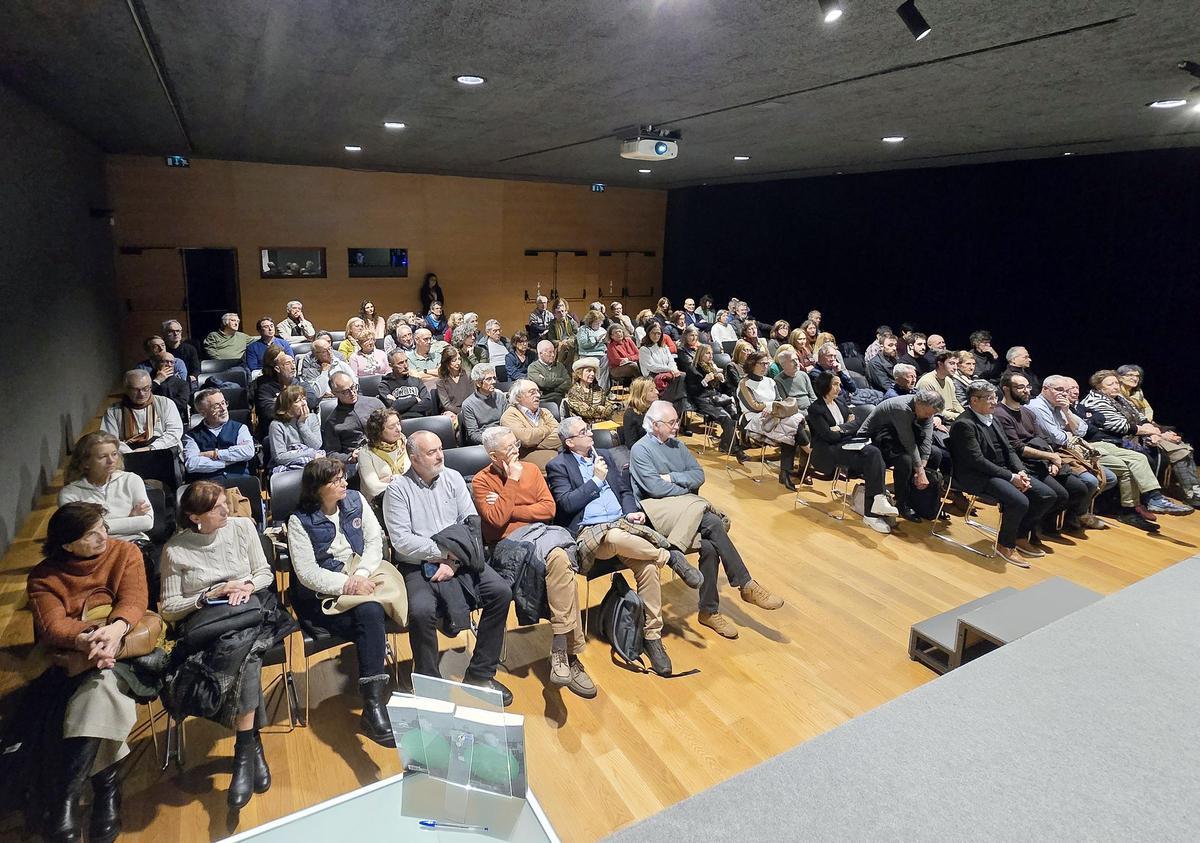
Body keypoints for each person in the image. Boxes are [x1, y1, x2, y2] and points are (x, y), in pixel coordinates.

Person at [160, 482, 290, 809]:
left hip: (251, 610)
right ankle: (251, 748)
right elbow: (169, 607)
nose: (226, 510)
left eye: (224, 503)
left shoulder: (243, 527)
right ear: (194, 517)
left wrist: (245, 585)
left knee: (242, 646)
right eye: (217, 507)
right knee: (248, 656)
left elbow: (264, 573)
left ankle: (243, 755)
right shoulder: (175, 550)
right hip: (208, 622)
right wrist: (208, 594)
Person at [27, 502, 148, 843]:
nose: (103, 536)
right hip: (77, 655)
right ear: (67, 545)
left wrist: (115, 631)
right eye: (91, 534)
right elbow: (53, 625)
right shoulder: (44, 577)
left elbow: (135, 598)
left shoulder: (125, 552)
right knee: (101, 688)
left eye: (103, 527)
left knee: (101, 686)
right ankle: (106, 790)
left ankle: (67, 796)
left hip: (125, 650)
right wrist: (89, 640)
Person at [546, 416, 702, 676]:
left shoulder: (604, 454)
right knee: (616, 538)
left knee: (649, 568)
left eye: (588, 429)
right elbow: (567, 504)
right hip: (591, 534)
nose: (590, 434)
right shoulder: (558, 465)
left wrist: (631, 512)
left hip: (623, 524)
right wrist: (595, 480)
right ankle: (670, 556)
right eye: (583, 432)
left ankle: (652, 636)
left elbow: (625, 491)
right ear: (570, 442)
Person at [629, 401, 781, 639]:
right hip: (658, 513)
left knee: (710, 542)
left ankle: (709, 611)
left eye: (676, 421)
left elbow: (698, 475)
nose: (676, 426)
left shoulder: (678, 446)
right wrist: (685, 490)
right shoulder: (641, 450)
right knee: (710, 518)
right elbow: (654, 488)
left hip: (687, 509)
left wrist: (672, 477)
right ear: (655, 425)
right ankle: (745, 584)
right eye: (671, 423)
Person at [382, 431, 514, 704]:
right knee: (421, 611)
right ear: (413, 457)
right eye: (432, 452)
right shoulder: (397, 490)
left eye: (440, 449)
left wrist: (453, 561)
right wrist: (443, 554)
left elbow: (470, 522)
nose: (440, 455)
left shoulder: (453, 478)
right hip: (417, 566)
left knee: (500, 592)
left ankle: (480, 674)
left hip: (461, 561)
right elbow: (402, 541)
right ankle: (430, 683)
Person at [471, 428, 596, 697]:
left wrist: (510, 508)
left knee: (560, 558)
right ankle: (568, 656)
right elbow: (494, 525)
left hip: (541, 536)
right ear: (494, 456)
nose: (516, 449)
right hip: (508, 546)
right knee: (562, 564)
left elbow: (548, 509)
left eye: (516, 443)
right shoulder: (481, 481)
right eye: (509, 447)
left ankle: (561, 647)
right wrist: (512, 483)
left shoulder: (531, 469)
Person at [286, 458, 396, 745]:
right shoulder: (299, 521)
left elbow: (375, 542)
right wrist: (348, 584)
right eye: (336, 481)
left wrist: (359, 575)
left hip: (364, 579)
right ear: (318, 489)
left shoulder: (356, 500)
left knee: (370, 612)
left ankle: (373, 705)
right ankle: (374, 706)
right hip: (323, 597)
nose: (345, 483)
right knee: (370, 614)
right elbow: (308, 574)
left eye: (344, 478)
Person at [1027, 376, 1163, 531]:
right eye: (1060, 390)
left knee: (1111, 477)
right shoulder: (1038, 407)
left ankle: (1077, 513)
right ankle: (1070, 515)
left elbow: (1082, 430)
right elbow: (1057, 438)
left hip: (1072, 449)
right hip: (1053, 453)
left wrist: (1066, 412)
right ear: (1045, 389)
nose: (1065, 394)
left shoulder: (1060, 407)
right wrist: (1070, 435)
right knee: (1091, 481)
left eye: (1067, 390)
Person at [948, 381, 1059, 566]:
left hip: (1003, 471)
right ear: (974, 400)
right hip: (978, 475)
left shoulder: (992, 418)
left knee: (1047, 495)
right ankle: (1005, 545)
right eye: (989, 398)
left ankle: (1019, 536)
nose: (994, 402)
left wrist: (1020, 471)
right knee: (1019, 501)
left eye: (995, 397)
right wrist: (1011, 477)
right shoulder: (964, 424)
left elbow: (1009, 449)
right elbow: (977, 461)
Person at [995, 372, 1095, 539]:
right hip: (1018, 463)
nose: (1026, 390)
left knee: (1078, 489)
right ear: (1006, 389)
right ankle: (1021, 534)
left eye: (1027, 386)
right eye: (1020, 387)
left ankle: (1038, 525)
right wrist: (1051, 457)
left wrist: (1051, 458)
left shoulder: (1027, 413)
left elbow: (1044, 438)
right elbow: (1017, 448)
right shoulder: (1001, 413)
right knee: (1049, 495)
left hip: (1039, 460)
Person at [1081, 370, 1200, 506]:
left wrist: (1155, 432)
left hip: (1136, 435)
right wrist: (1158, 434)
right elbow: (1122, 426)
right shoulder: (1096, 401)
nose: (1115, 386)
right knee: (1154, 456)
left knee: (1179, 450)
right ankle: (1149, 499)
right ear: (1099, 387)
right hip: (1114, 439)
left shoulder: (1120, 398)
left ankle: (1181, 494)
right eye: (1110, 384)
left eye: (1116, 383)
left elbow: (1141, 417)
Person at [807, 372, 899, 533]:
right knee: (872, 458)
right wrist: (845, 430)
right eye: (835, 384)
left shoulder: (840, 403)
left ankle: (876, 503)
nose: (839, 387)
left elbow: (857, 424)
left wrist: (841, 429)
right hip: (826, 451)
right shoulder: (815, 409)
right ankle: (875, 505)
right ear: (825, 386)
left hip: (843, 444)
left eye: (839, 384)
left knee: (874, 453)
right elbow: (828, 436)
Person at [860, 389, 947, 522]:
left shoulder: (926, 411)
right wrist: (920, 472)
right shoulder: (901, 408)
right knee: (905, 460)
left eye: (933, 414)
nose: (929, 416)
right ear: (918, 403)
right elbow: (909, 443)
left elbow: (927, 440)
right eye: (928, 413)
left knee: (935, 454)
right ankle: (902, 503)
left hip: (896, 440)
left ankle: (917, 497)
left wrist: (921, 468)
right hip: (875, 440)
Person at [59, 431, 154, 544]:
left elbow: (147, 522)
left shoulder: (132, 480)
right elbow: (79, 531)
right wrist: (130, 519)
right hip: (93, 548)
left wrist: (97, 526)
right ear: (85, 463)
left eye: (114, 454)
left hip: (133, 542)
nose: (111, 461)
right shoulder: (69, 494)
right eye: (103, 456)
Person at [738, 351, 809, 490]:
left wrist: (770, 406)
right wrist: (770, 405)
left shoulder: (770, 381)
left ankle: (786, 473)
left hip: (773, 414)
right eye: (762, 364)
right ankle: (807, 451)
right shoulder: (744, 383)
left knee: (793, 427)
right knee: (792, 428)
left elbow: (778, 401)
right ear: (752, 364)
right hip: (752, 418)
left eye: (767, 363)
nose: (765, 366)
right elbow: (753, 406)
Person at [101, 369, 184, 457]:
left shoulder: (165, 403)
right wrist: (133, 454)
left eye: (145, 389)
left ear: (151, 387)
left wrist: (150, 448)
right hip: (127, 454)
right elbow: (110, 439)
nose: (141, 394)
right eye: (135, 390)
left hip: (160, 450)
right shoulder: (113, 411)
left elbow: (174, 432)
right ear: (126, 389)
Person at [183, 387, 254, 482]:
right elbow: (192, 464)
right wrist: (227, 461)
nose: (223, 409)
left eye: (224, 403)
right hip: (209, 487)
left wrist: (215, 454)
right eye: (216, 406)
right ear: (203, 413)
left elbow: (248, 452)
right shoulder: (191, 436)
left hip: (240, 481)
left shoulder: (241, 428)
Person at [322, 372, 386, 471]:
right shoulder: (332, 422)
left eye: (353, 387)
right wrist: (349, 457)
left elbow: (391, 425)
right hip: (357, 461)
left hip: (384, 449)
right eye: (345, 392)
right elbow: (331, 454)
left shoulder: (375, 403)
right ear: (334, 393)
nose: (352, 393)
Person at [684, 345, 738, 455]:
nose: (710, 356)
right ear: (700, 354)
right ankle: (732, 448)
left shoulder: (712, 367)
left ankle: (728, 443)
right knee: (726, 418)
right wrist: (704, 382)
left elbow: (722, 389)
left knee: (734, 413)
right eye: (707, 353)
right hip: (702, 399)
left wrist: (722, 380)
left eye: (711, 353)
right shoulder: (692, 369)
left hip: (716, 396)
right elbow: (692, 391)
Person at [499, 379, 561, 469]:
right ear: (518, 397)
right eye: (532, 392)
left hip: (558, 463)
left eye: (538, 392)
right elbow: (526, 439)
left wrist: (534, 445)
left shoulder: (545, 412)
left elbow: (560, 435)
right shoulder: (509, 416)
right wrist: (548, 429)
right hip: (531, 469)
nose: (538, 395)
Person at [267, 384, 324, 474]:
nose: (304, 403)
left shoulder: (312, 418)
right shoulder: (277, 425)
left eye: (304, 399)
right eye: (298, 401)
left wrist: (302, 424)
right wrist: (310, 454)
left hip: (312, 466)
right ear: (287, 406)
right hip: (290, 468)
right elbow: (279, 457)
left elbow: (316, 445)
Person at [357, 408, 410, 501]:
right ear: (378, 431)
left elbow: (421, 475)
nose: (398, 429)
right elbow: (373, 489)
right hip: (380, 503)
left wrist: (390, 479)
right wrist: (404, 481)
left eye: (398, 423)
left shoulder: (406, 443)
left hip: (409, 497)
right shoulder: (365, 453)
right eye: (391, 427)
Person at [638, 322, 686, 411]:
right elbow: (652, 366)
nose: (656, 335)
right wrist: (670, 369)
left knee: (682, 375)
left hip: (667, 373)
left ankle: (671, 403)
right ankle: (670, 404)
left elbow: (671, 361)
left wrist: (674, 369)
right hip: (652, 375)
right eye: (653, 333)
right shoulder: (644, 349)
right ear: (648, 334)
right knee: (680, 378)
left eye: (658, 333)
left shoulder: (664, 347)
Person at [461, 363, 509, 446]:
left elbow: (508, 421)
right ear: (478, 383)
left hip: (504, 437)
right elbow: (473, 434)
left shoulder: (500, 397)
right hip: (485, 442)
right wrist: (493, 442)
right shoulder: (468, 404)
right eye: (489, 379)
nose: (494, 382)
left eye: (494, 378)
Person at [380, 350, 435, 418]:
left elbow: (427, 404)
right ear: (391, 365)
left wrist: (401, 405)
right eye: (400, 363)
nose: (405, 366)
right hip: (401, 422)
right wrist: (415, 399)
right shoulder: (384, 385)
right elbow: (392, 407)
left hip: (421, 419)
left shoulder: (417, 381)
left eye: (406, 361)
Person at [299, 334, 357, 399]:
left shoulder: (340, 364)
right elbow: (317, 393)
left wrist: (339, 394)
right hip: (325, 402)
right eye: (324, 351)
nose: (329, 353)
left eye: (330, 348)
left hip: (346, 397)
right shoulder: (310, 371)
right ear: (316, 355)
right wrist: (324, 371)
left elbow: (355, 382)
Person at [564, 357, 620, 423]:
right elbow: (585, 412)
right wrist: (600, 408)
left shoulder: (598, 389)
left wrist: (606, 409)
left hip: (603, 423)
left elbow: (609, 406)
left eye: (594, 371)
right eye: (589, 371)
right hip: (584, 426)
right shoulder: (574, 392)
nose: (592, 374)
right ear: (579, 374)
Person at [916, 351, 965, 421]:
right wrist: (958, 416)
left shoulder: (949, 380)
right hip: (936, 419)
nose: (955, 368)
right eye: (951, 363)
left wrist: (965, 414)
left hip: (951, 417)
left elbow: (955, 402)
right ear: (940, 364)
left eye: (956, 364)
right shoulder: (926, 382)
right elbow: (932, 410)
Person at [434, 346, 473, 423]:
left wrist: (467, 412)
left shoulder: (468, 375)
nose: (458, 363)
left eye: (459, 359)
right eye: (454, 360)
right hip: (451, 412)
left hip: (469, 410)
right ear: (447, 363)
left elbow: (473, 397)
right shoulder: (441, 382)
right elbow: (446, 405)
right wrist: (461, 412)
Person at [528, 339, 572, 404]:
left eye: (553, 352)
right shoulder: (533, 367)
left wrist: (549, 388)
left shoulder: (559, 366)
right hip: (543, 400)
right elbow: (542, 383)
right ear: (541, 353)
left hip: (560, 398)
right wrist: (561, 380)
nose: (553, 355)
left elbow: (568, 383)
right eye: (550, 352)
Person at [576, 310, 610, 390]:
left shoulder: (602, 330)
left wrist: (606, 342)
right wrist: (596, 339)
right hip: (588, 355)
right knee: (596, 366)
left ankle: (604, 390)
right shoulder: (583, 330)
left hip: (602, 355)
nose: (599, 325)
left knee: (608, 361)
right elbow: (583, 344)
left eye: (600, 323)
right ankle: (589, 389)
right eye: (596, 323)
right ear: (590, 322)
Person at [623, 377, 658, 448]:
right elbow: (631, 444)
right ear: (641, 393)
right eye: (651, 390)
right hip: (643, 452)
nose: (657, 392)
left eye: (655, 388)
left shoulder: (657, 409)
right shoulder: (630, 414)